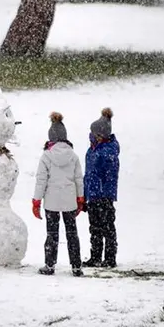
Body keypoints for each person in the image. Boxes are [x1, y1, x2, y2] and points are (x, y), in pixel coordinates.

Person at [32, 112, 85, 277]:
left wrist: (36, 201)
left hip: (52, 203)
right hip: (69, 200)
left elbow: (41, 180)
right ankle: (76, 266)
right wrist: (80, 198)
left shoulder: (46, 156)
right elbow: (79, 180)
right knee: (72, 234)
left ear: (50, 138)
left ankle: (49, 265)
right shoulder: (73, 156)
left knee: (52, 234)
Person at [83, 107, 120, 268]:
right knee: (94, 228)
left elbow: (108, 175)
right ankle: (95, 256)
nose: (93, 137)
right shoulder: (91, 150)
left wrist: (103, 191)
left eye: (96, 134)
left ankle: (110, 258)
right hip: (92, 194)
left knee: (107, 227)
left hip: (104, 195)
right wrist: (85, 194)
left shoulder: (109, 151)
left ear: (102, 135)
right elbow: (88, 174)